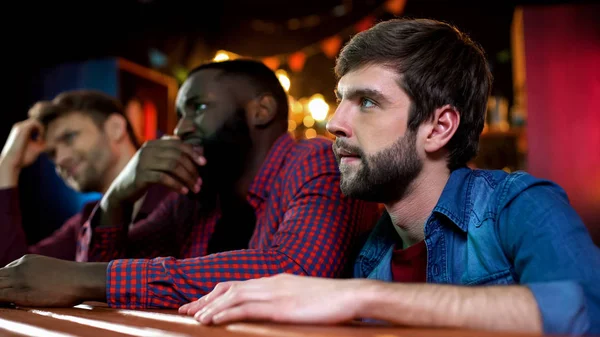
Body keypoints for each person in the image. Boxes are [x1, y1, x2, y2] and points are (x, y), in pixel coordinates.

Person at [178, 19, 600, 336]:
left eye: (366, 102)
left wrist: (360, 296)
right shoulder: (370, 253)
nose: (336, 123)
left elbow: (582, 309)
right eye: (341, 99)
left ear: (438, 128)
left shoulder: (519, 204)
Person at [0, 60, 380, 309]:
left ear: (260, 110)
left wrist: (89, 279)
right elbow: (95, 279)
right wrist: (118, 194)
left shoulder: (313, 158)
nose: (180, 128)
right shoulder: (196, 196)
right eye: (180, 114)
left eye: (197, 108)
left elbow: (293, 273)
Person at [0, 90, 168, 265]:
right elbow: (13, 273)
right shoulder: (86, 222)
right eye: (52, 154)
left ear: (116, 128)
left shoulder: (179, 194)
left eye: (69, 137)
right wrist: (7, 165)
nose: (60, 159)